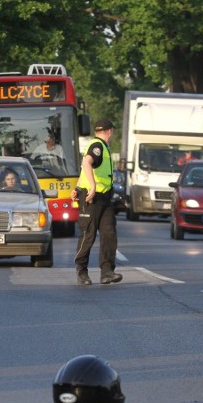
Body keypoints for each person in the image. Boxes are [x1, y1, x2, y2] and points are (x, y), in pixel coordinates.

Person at [71, 118, 121, 286]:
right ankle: (82, 271)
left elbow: (84, 170)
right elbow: (87, 163)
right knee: (88, 234)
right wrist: (90, 186)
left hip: (104, 197)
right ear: (110, 131)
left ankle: (107, 272)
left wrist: (77, 187)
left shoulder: (102, 146)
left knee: (108, 234)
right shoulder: (97, 146)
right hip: (91, 197)